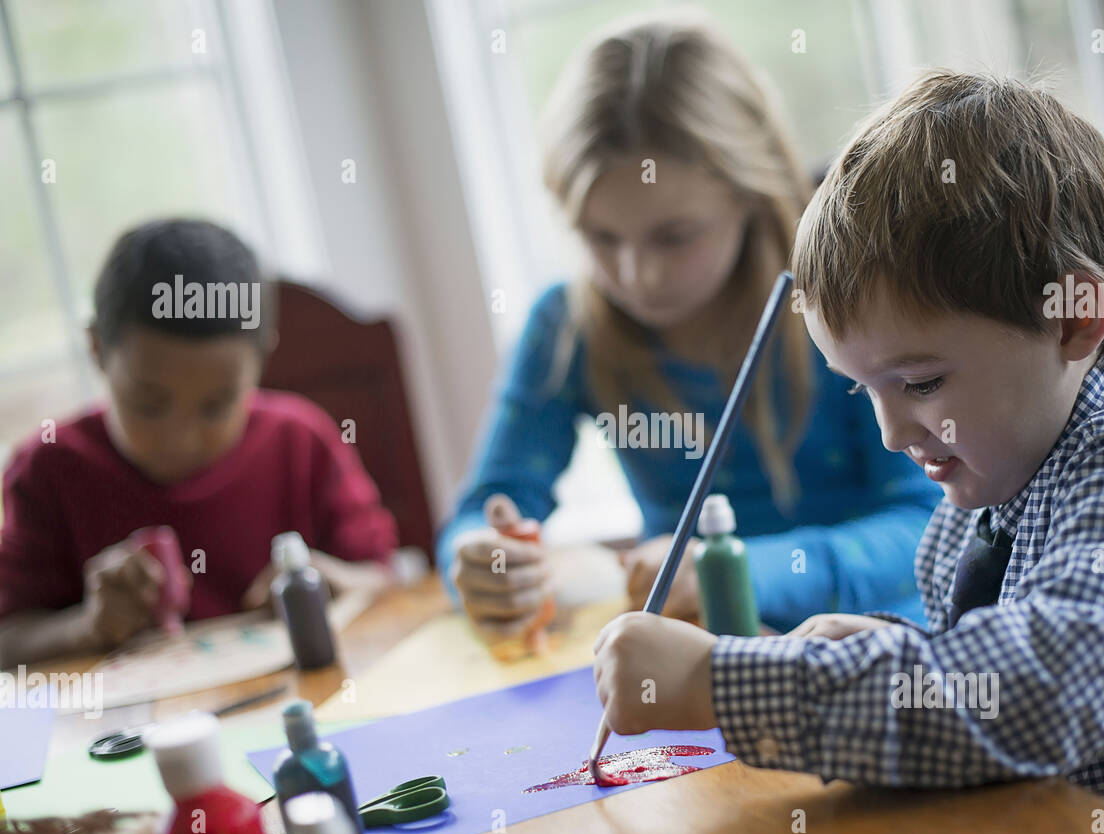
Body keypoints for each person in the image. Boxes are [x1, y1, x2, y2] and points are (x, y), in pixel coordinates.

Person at [590, 70, 1104, 834]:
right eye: (864, 390)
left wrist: (723, 680)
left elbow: (1034, 693)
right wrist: (891, 647)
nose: (893, 433)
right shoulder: (997, 469)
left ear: (1075, 318)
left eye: (921, 383)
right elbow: (995, 662)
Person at [438, 12, 937, 648]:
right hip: (690, 668)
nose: (637, 275)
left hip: (880, 651)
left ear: (751, 193)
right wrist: (487, 558)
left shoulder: (850, 293)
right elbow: (486, 506)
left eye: (674, 236)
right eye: (602, 237)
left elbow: (927, 522)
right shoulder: (567, 328)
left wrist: (735, 570)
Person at [0, 219, 397, 667]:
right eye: (149, 404)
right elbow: (7, 637)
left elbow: (382, 577)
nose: (180, 437)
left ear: (263, 358)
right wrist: (88, 624)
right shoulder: (46, 470)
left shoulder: (302, 442)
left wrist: (330, 581)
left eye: (216, 405)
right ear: (96, 351)